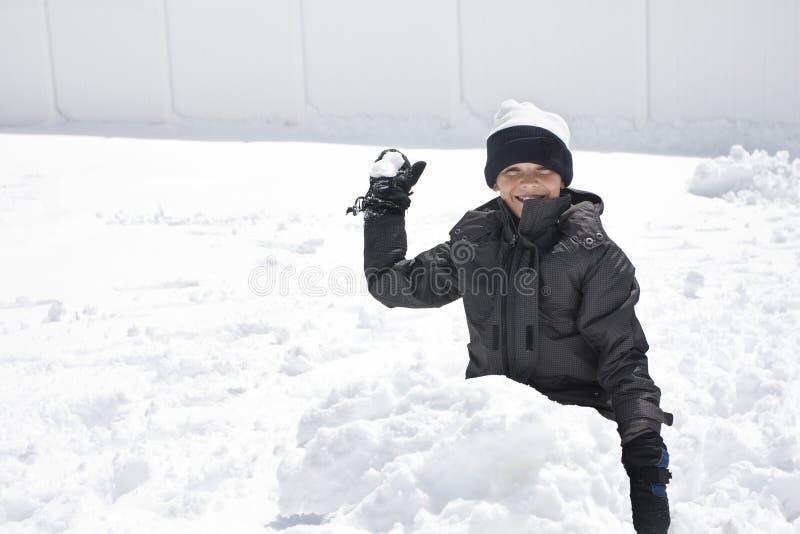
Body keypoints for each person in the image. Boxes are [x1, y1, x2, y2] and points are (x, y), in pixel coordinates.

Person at [346, 99, 673, 533]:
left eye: (542, 170)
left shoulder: (592, 255)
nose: (528, 183)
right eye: (512, 171)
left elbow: (623, 358)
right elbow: (390, 284)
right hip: (488, 435)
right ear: (496, 180)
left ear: (563, 177)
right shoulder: (476, 242)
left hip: (565, 441)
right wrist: (386, 211)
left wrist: (644, 446)